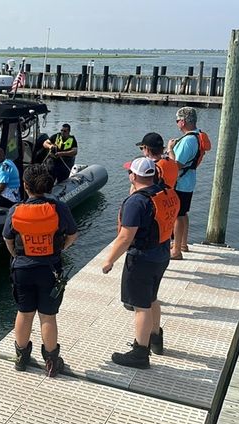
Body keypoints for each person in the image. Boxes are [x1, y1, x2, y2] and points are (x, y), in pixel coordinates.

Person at [101, 157, 180, 369]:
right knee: (152, 298)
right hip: (162, 254)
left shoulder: (137, 202)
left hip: (142, 259)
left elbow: (126, 237)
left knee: (140, 306)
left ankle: (140, 353)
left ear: (134, 176)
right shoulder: (166, 192)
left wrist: (109, 260)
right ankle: (155, 338)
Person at [2, 164, 78, 377]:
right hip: (50, 268)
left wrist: (17, 256)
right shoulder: (58, 208)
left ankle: (21, 358)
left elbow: (8, 238)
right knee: (48, 315)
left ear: (25, 186)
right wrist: (59, 249)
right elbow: (72, 235)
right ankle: (52, 362)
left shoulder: (16, 210)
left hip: (22, 269)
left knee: (24, 313)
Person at [166, 107, 200, 260]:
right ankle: (183, 244)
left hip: (181, 182)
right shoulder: (196, 136)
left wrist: (170, 149)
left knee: (178, 216)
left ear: (183, 121)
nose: (176, 124)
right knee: (183, 213)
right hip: (188, 181)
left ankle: (176, 250)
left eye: (177, 121)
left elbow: (177, 164)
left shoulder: (188, 140)